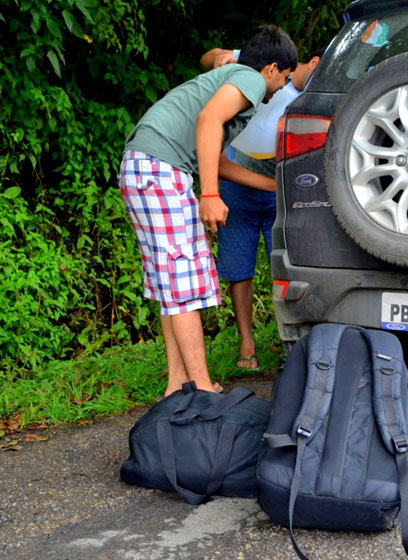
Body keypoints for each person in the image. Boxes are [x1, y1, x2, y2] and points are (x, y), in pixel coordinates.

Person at [120, 26, 297, 398]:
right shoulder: (249, 79)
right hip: (160, 169)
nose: (283, 86)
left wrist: (272, 185)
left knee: (172, 285)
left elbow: (214, 158)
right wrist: (210, 194)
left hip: (145, 166)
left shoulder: (230, 77)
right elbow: (207, 123)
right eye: (284, 77)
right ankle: (200, 387)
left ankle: (177, 386)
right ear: (270, 68)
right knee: (184, 282)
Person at [198, 46, 322, 371]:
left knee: (287, 266)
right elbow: (210, 57)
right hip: (237, 179)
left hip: (280, 184)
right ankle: (246, 342)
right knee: (238, 268)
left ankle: (290, 345)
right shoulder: (272, 64)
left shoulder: (311, 90)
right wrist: (219, 59)